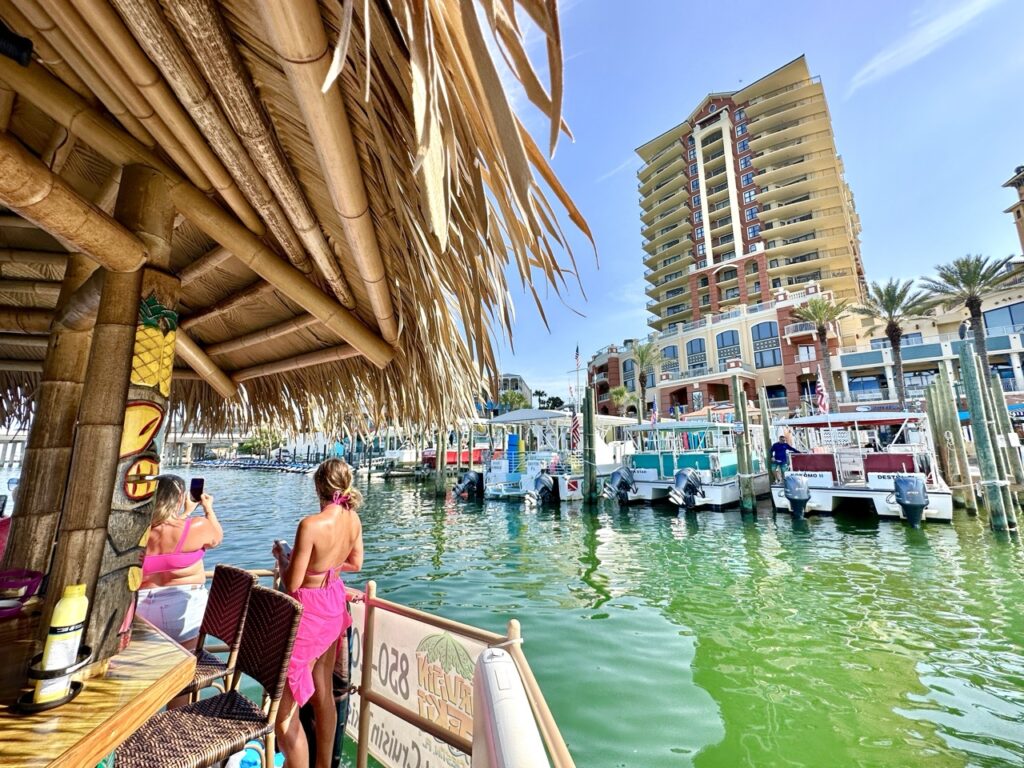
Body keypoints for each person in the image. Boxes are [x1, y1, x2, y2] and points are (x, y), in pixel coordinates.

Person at [272, 459, 363, 768]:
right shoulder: (353, 519)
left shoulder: (311, 525)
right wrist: (326, 569)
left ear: (318, 486)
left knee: (283, 713)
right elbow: (356, 563)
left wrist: (282, 557)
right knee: (322, 691)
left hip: (309, 614)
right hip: (334, 604)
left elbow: (293, 583)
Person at [137, 475, 222, 706]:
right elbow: (216, 538)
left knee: (144, 679)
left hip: (141, 611)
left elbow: (165, 532)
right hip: (183, 609)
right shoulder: (195, 527)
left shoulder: (139, 531)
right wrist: (207, 509)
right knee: (179, 680)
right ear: (179, 498)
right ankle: (175, 722)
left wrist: (183, 513)